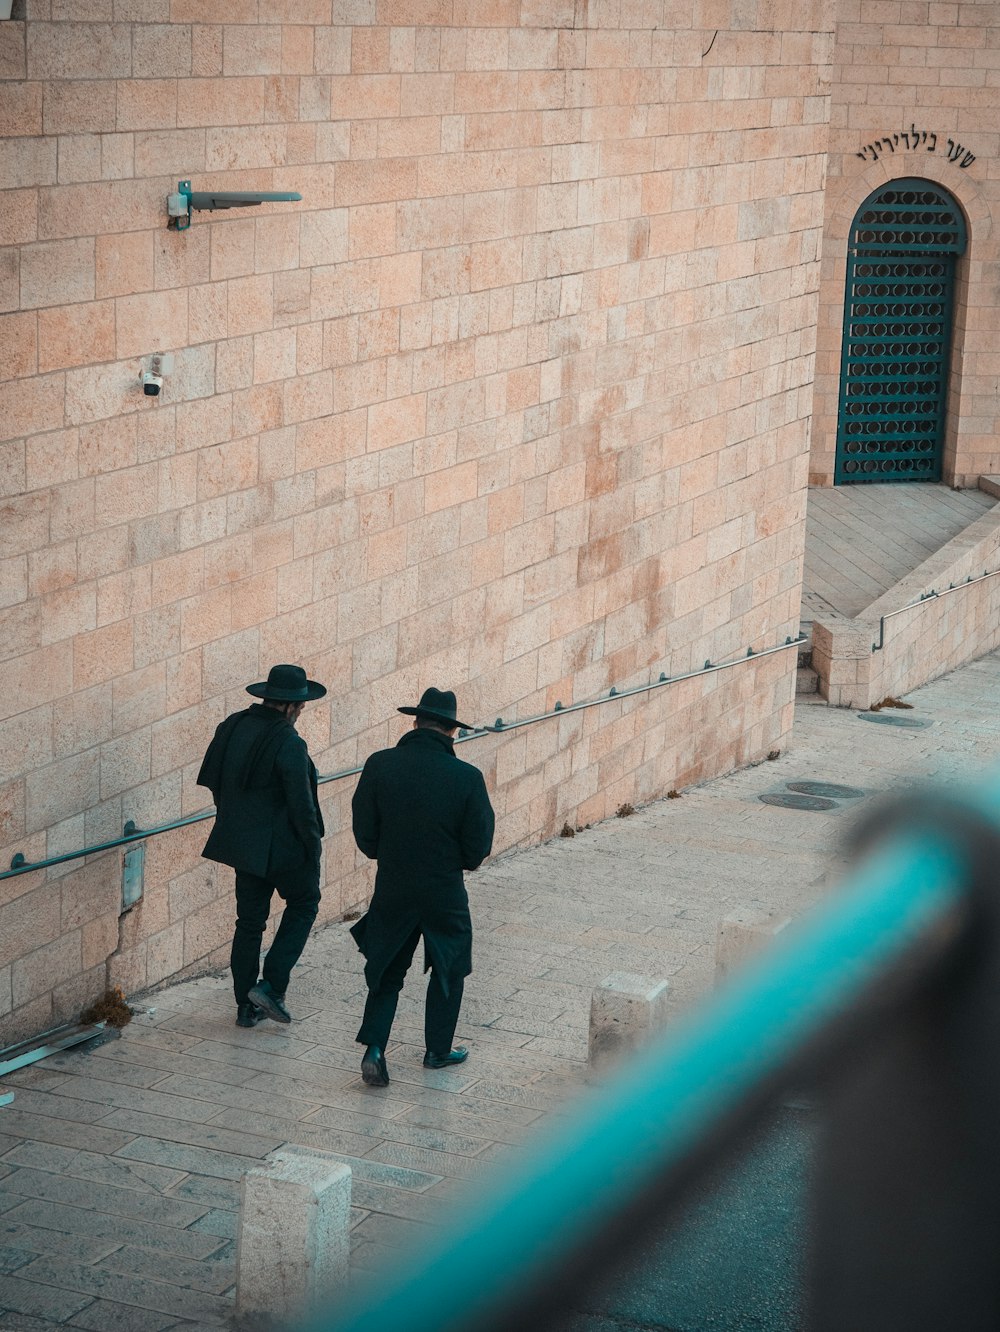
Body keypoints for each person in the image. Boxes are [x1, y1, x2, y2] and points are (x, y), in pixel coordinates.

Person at [350, 687, 495, 1087]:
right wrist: (456, 862)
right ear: (452, 731)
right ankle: (437, 1050)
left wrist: (388, 854)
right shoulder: (467, 777)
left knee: (387, 969)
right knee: (449, 967)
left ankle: (375, 1047)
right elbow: (477, 845)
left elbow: (364, 831)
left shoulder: (380, 764)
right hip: (443, 888)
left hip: (393, 883)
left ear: (415, 723)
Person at [197, 663, 327, 1028]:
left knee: (249, 924)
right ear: (290, 706)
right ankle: (271, 986)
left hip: (244, 845)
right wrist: (312, 847)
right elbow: (302, 806)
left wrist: (237, 820)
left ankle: (245, 1006)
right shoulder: (289, 742)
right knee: (304, 904)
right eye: (300, 707)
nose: (301, 712)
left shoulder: (233, 726)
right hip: (284, 849)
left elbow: (214, 781)